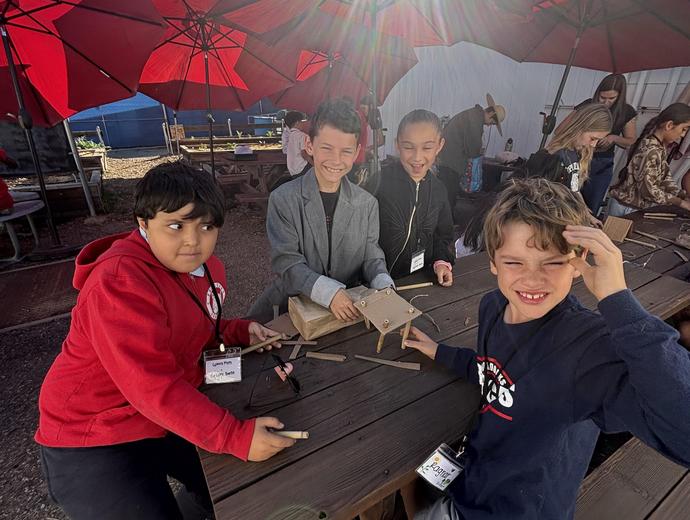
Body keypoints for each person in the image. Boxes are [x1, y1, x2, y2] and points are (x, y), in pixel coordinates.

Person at [401, 177, 690, 520]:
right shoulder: (493, 307)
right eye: (514, 262)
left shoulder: (588, 350)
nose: (532, 279)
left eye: (552, 262)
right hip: (475, 489)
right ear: (492, 261)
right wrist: (442, 353)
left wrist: (618, 300)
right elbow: (491, 368)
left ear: (579, 261)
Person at [36, 162, 294, 520]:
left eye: (206, 226)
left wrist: (238, 330)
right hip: (94, 432)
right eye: (176, 226)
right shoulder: (119, 281)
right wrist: (234, 436)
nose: (193, 241)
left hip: (160, 415)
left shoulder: (206, 268)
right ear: (143, 223)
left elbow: (194, 328)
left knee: (232, 490)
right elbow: (151, 385)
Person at [248, 98, 394, 323]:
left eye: (346, 151)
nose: (336, 160)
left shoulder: (367, 204)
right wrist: (328, 292)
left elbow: (371, 256)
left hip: (349, 310)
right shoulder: (284, 199)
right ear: (309, 145)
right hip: (292, 308)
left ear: (356, 153)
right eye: (326, 148)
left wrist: (383, 283)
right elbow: (286, 262)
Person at [377, 109, 455, 285]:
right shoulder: (379, 183)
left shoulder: (439, 190)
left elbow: (443, 235)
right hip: (376, 282)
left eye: (427, 147)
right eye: (408, 147)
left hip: (420, 280)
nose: (417, 157)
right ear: (397, 145)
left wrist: (441, 262)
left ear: (439, 146)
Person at [608, 102, 690, 216]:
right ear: (669, 125)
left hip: (632, 208)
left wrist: (683, 195)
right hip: (625, 208)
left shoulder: (659, 147)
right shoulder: (650, 150)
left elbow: (665, 178)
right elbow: (649, 191)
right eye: (683, 129)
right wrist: (680, 202)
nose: (682, 135)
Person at [574, 74, 638, 214]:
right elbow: (563, 130)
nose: (605, 102)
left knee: (591, 206)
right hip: (578, 158)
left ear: (619, 97)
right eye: (602, 97)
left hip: (601, 165)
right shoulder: (587, 105)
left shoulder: (626, 111)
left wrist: (613, 138)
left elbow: (631, 141)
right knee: (571, 199)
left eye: (611, 98)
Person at [525, 103, 612, 196]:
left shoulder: (578, 155)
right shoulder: (555, 156)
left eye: (598, 140)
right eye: (593, 138)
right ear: (580, 128)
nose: (594, 145)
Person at [437, 93, 506, 205]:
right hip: (450, 162)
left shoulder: (474, 115)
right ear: (491, 113)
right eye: (492, 123)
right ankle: (446, 221)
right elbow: (473, 150)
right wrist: (480, 151)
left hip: (447, 160)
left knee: (447, 195)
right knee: (448, 196)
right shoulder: (475, 120)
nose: (489, 125)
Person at [282, 110, 311, 178]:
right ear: (297, 122)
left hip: (292, 170)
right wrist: (314, 164)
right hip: (302, 168)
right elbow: (304, 154)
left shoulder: (289, 135)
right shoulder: (302, 135)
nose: (303, 124)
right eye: (301, 122)